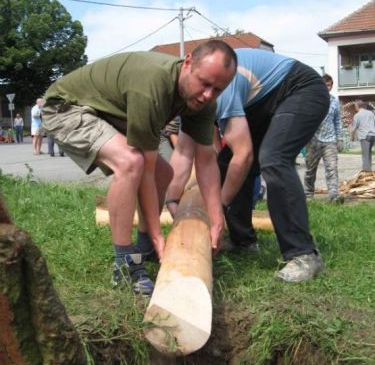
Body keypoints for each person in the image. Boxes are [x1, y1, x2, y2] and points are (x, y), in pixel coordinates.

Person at [42, 41, 237, 296]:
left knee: (164, 174)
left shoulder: (203, 102)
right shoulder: (153, 83)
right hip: (65, 108)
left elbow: (206, 160)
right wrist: (158, 234)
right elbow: (144, 169)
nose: (208, 95)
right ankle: (125, 262)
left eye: (218, 89)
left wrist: (217, 220)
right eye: (204, 83)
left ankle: (145, 249)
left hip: (106, 114)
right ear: (188, 63)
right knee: (131, 162)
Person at [167, 48, 329, 283]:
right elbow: (183, 152)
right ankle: (243, 241)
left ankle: (303, 254)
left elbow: (243, 156)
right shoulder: (191, 101)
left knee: (274, 158)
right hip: (261, 101)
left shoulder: (216, 90)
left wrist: (218, 207)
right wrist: (171, 198)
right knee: (225, 161)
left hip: (300, 88)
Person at [304, 74, 344, 202]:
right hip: (313, 141)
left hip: (330, 141)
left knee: (332, 168)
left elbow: (337, 121)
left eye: (329, 85)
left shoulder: (335, 102)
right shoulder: (311, 100)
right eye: (325, 84)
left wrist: (340, 139)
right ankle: (308, 194)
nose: (327, 87)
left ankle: (334, 195)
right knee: (310, 170)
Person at [350, 100, 375, 171]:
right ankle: (369, 169)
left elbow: (353, 128)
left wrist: (351, 137)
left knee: (365, 154)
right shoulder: (371, 113)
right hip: (373, 135)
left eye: (355, 106)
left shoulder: (357, 115)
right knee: (369, 153)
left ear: (357, 106)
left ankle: (366, 171)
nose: (355, 108)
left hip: (365, 136)